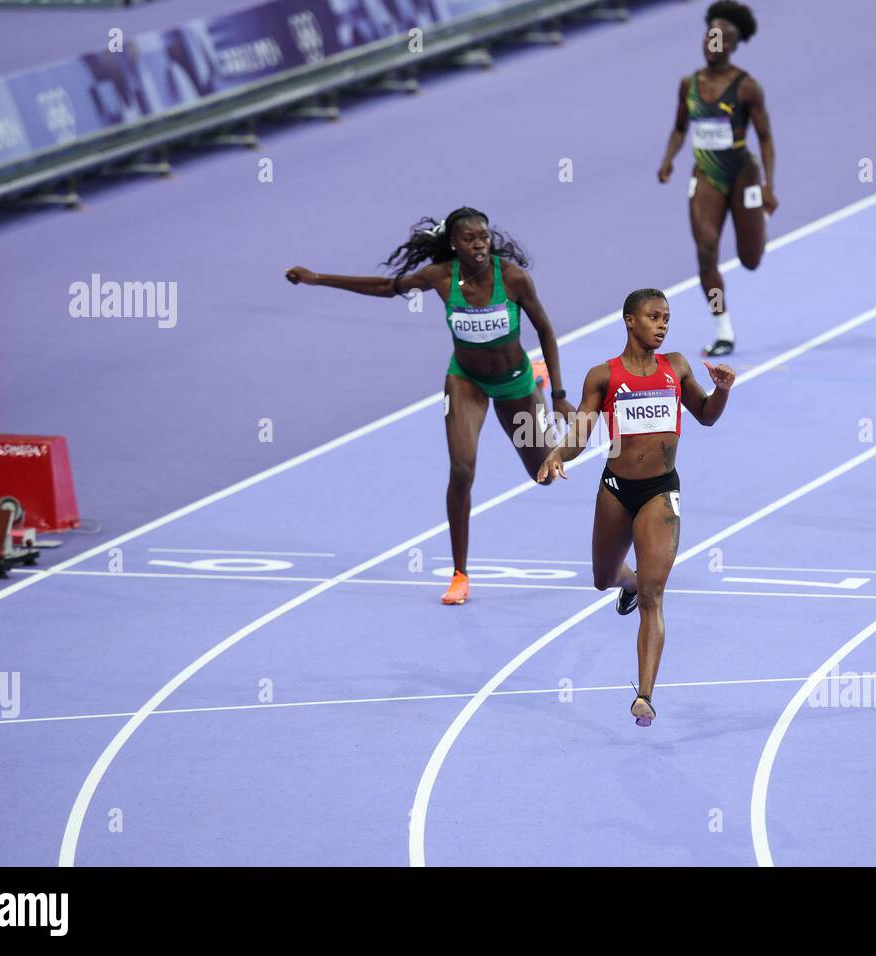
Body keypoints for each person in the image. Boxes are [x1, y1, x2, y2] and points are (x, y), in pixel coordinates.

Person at [287, 207, 575, 602]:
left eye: (484, 237)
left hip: (515, 383)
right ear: (453, 243)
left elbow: (544, 327)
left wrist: (558, 396)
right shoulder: (440, 276)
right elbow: (386, 288)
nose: (479, 244)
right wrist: (318, 279)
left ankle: (537, 376)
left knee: (544, 475)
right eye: (470, 239)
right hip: (466, 380)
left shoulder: (513, 279)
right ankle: (460, 574)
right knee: (461, 469)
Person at [537, 288, 735, 725]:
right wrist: (554, 454)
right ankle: (623, 584)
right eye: (654, 317)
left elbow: (705, 414)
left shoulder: (677, 367)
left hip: (661, 492)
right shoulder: (603, 376)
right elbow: (580, 436)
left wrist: (720, 391)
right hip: (615, 489)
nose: (663, 325)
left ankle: (644, 695)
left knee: (654, 592)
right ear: (630, 320)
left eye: (667, 318)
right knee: (603, 578)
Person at [657, 0, 777, 357]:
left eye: (723, 39)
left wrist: (769, 185)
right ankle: (723, 330)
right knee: (706, 252)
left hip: (743, 176)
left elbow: (766, 138)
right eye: (710, 37)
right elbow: (680, 128)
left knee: (751, 259)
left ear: (733, 46)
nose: (714, 44)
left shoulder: (747, 87)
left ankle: (757, 222)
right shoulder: (688, 85)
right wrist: (668, 159)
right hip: (707, 176)